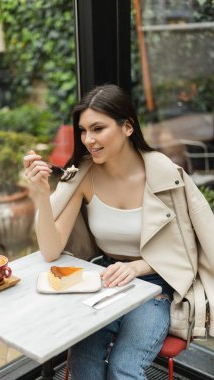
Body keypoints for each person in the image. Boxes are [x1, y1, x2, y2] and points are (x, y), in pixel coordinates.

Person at [23, 84, 214, 380]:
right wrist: (40, 195)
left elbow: (188, 248)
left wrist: (138, 266)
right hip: (106, 282)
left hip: (157, 285)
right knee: (84, 364)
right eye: (84, 130)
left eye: (98, 128)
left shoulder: (166, 177)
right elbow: (50, 250)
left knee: (124, 369)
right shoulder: (83, 176)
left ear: (127, 127)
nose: (88, 139)